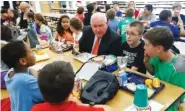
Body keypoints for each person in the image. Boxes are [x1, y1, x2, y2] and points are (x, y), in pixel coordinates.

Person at [31, 61, 115, 111]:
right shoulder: (81, 109)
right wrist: (82, 104)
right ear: (72, 90)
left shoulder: (36, 109)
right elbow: (109, 109)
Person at [143, 27, 185, 111]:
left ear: (159, 48)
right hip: (156, 92)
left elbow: (178, 97)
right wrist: (146, 62)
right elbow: (153, 72)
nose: (144, 47)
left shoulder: (179, 68)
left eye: (147, 45)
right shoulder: (156, 56)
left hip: (169, 103)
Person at [1, 41, 43, 111]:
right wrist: (38, 77)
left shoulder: (10, 73)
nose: (33, 53)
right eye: (31, 52)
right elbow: (50, 95)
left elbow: (31, 71)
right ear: (23, 61)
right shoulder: (25, 81)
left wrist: (33, 72)